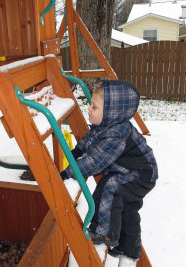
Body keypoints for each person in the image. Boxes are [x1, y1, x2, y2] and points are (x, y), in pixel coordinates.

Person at [60, 80, 158, 267]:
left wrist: (68, 172)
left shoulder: (117, 132)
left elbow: (95, 162)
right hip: (133, 169)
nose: (89, 109)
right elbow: (90, 139)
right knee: (128, 211)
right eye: (90, 104)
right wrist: (78, 151)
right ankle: (128, 251)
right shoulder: (105, 124)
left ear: (111, 112)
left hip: (141, 173)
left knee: (110, 187)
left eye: (94, 107)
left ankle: (104, 232)